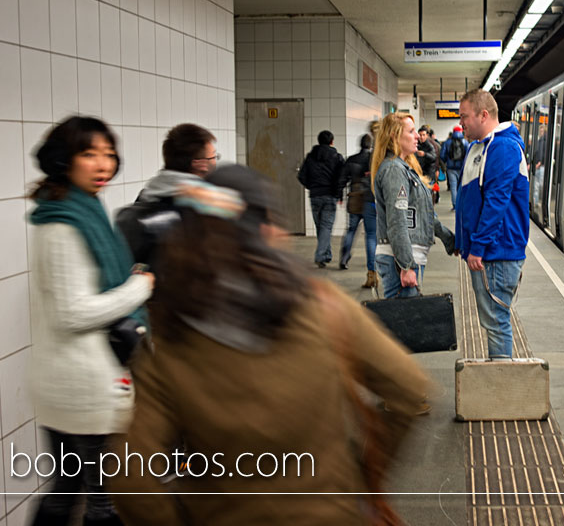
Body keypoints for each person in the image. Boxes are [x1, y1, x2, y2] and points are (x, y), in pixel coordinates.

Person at [107, 165, 429, 525]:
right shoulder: (323, 308)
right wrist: (361, 472)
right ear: (263, 231)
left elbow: (130, 474)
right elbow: (410, 388)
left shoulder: (173, 338)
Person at [27, 116, 155, 526]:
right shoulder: (64, 223)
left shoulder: (80, 208)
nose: (103, 164)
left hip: (72, 379)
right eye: (89, 153)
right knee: (103, 501)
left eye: (108, 154)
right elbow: (72, 313)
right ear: (65, 160)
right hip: (82, 384)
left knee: (66, 491)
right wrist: (139, 287)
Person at [455, 89, 530, 359]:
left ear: (483, 115)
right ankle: (498, 371)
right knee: (493, 322)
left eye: (464, 116)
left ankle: (501, 384)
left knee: (497, 323)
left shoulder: (503, 147)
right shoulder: (480, 147)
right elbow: (470, 200)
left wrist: (478, 246)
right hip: (490, 250)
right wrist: (462, 242)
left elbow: (496, 202)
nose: (461, 123)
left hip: (497, 252)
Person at [372, 113, 455, 299]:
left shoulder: (404, 168)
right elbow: (397, 221)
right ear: (394, 136)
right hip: (398, 261)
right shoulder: (394, 170)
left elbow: (424, 214)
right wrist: (406, 265)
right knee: (403, 325)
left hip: (406, 258)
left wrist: (449, 239)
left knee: (406, 323)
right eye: (411, 131)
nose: (417, 135)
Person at [116, 123, 218, 271]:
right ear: (200, 164)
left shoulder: (147, 194)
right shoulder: (203, 204)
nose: (215, 161)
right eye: (213, 156)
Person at [298, 130, 345, 268]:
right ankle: (320, 255)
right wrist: (339, 194)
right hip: (329, 196)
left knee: (321, 227)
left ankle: (326, 255)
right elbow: (340, 178)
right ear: (332, 142)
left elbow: (301, 176)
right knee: (325, 227)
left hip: (315, 196)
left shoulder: (310, 157)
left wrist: (312, 186)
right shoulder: (337, 157)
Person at [337, 133, 378, 288]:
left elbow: (342, 178)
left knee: (351, 230)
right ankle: (372, 267)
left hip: (354, 196)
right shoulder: (372, 159)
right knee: (371, 235)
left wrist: (340, 194)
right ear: (370, 145)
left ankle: (344, 258)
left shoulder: (351, 159)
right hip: (369, 197)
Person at [440, 125, 469, 209]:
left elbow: (442, 155)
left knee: (453, 186)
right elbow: (468, 154)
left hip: (451, 168)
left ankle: (455, 204)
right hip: (462, 168)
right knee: (461, 186)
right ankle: (461, 204)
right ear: (461, 131)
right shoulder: (465, 142)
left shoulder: (447, 142)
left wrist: (446, 162)